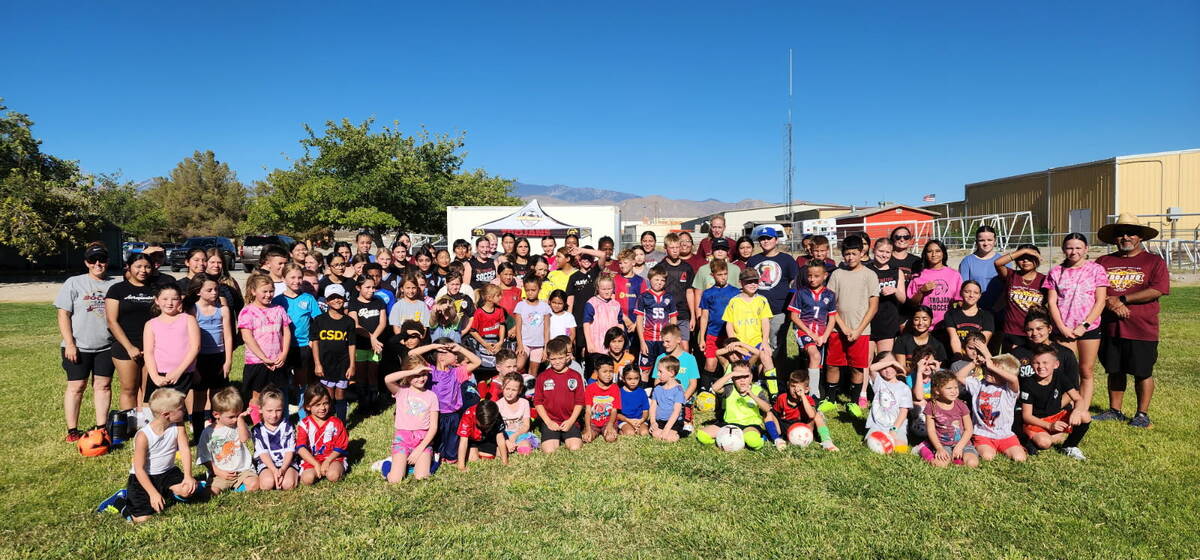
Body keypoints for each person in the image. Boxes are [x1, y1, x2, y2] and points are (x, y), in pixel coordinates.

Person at [1094, 214, 1169, 428]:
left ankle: (1142, 414)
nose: (1125, 237)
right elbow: (1093, 286)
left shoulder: (1154, 261)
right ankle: (1114, 410)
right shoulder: (1104, 261)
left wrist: (1123, 298)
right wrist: (1111, 302)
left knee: (1142, 372)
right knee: (1114, 369)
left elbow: (1158, 289)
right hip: (1110, 326)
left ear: (1140, 237)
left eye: (1131, 233)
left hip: (1142, 328)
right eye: (1120, 233)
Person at [56, 242, 117, 441]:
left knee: (103, 386)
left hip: (106, 346)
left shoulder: (114, 284)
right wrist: (70, 343)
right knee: (76, 387)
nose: (98, 264)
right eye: (93, 260)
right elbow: (63, 314)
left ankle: (101, 427)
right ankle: (72, 431)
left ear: (108, 261)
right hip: (78, 346)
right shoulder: (74, 282)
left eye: (102, 260)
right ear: (86, 262)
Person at [1044, 233, 1108, 413]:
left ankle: (1083, 407)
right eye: (1070, 248)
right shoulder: (1055, 272)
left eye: (1078, 248)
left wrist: (1085, 325)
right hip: (1064, 329)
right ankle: (1067, 405)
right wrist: (1062, 327)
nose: (1074, 252)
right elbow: (1052, 303)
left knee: (1086, 370)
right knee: (1065, 371)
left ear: (1086, 249)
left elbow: (1100, 301)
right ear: (1064, 249)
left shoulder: (1096, 270)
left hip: (1089, 329)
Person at [824, 236, 880, 417]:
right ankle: (831, 399)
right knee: (833, 364)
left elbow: (873, 306)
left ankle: (854, 401)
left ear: (862, 253)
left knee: (857, 367)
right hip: (836, 330)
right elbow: (830, 304)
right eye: (846, 254)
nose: (850, 258)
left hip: (861, 331)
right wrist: (842, 327)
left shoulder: (870, 275)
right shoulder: (837, 274)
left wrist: (858, 329)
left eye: (854, 254)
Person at [125, 388, 198, 523]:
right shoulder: (143, 436)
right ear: (166, 414)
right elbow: (139, 469)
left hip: (168, 473)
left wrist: (188, 476)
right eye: (181, 408)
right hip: (144, 478)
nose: (185, 410)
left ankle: (168, 492)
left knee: (188, 490)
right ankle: (123, 504)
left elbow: (185, 450)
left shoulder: (178, 425)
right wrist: (152, 493)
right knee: (144, 519)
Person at [953, 345, 1027, 463]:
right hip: (982, 433)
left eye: (994, 371)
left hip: (1005, 435)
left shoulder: (1008, 390)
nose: (989, 371)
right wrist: (974, 363)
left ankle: (1014, 447)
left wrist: (992, 366)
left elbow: (1014, 379)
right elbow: (958, 376)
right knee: (988, 456)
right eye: (988, 369)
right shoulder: (979, 385)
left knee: (1020, 458)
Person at [142, 284, 200, 428]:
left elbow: (195, 348)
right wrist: (154, 376)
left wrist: (178, 372)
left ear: (180, 300)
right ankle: (158, 438)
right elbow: (148, 352)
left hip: (182, 373)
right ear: (157, 301)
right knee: (158, 411)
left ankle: (179, 442)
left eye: (174, 299)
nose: (169, 303)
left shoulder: (188, 319)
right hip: (159, 375)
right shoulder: (151, 324)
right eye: (165, 299)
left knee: (176, 412)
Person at [1020, 344, 1091, 460]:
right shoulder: (1028, 384)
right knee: (1044, 443)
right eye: (1036, 363)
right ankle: (1028, 439)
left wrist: (1077, 411)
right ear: (1031, 365)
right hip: (1037, 422)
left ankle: (1069, 445)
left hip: (1056, 416)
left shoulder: (1060, 376)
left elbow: (1078, 398)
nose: (1040, 366)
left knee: (1085, 415)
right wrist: (1049, 426)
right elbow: (1026, 416)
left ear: (1056, 364)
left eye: (1045, 363)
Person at [238, 275, 292, 424]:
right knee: (257, 396)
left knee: (277, 395)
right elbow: (247, 338)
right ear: (253, 291)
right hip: (256, 362)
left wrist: (284, 354)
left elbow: (286, 331)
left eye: (271, 291)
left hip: (277, 361)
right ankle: (258, 426)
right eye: (265, 291)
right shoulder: (247, 311)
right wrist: (264, 358)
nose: (269, 295)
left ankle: (278, 425)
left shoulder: (279, 309)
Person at [106, 252, 156, 411]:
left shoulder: (156, 289)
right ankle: (127, 424)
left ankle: (147, 426)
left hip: (152, 347)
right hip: (125, 347)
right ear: (129, 267)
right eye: (138, 266)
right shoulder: (117, 290)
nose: (143, 270)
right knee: (129, 389)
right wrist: (129, 347)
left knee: (150, 391)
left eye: (147, 267)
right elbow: (111, 322)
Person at [746, 225, 799, 373]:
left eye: (768, 238)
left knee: (777, 345)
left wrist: (791, 307)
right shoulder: (753, 260)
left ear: (776, 240)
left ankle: (778, 378)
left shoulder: (787, 260)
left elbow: (794, 283)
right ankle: (756, 377)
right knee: (756, 344)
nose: (765, 241)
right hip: (756, 310)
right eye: (762, 239)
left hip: (779, 310)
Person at [695, 361, 781, 451]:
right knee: (702, 435)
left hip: (750, 425)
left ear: (751, 377)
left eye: (745, 376)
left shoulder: (757, 390)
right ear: (733, 379)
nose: (742, 380)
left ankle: (763, 437)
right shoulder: (730, 389)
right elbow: (715, 388)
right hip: (728, 424)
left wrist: (751, 394)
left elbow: (767, 409)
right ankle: (725, 440)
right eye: (738, 377)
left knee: (753, 441)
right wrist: (731, 374)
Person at [187, 276, 232, 436]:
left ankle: (216, 429)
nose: (214, 293)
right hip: (200, 358)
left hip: (218, 357)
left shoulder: (223, 309)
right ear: (198, 291)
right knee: (199, 396)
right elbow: (190, 340)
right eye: (209, 290)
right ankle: (199, 432)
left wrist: (228, 361)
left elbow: (227, 336)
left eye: (216, 289)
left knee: (217, 395)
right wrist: (194, 366)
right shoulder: (193, 310)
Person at [273, 263, 322, 411]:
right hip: (283, 348)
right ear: (284, 279)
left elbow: (318, 322)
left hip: (302, 346)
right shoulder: (278, 301)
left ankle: (302, 415)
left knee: (301, 382)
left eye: (300, 277)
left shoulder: (308, 299)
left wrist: (313, 341)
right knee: (282, 383)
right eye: (292, 277)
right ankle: (285, 414)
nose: (297, 281)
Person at [383, 357, 439, 481]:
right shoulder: (401, 391)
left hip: (423, 441)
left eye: (424, 374)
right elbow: (387, 379)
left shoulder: (431, 396)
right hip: (403, 440)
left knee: (421, 477)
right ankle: (387, 464)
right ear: (408, 376)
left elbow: (434, 427)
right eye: (416, 375)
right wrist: (412, 372)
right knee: (395, 479)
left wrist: (420, 449)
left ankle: (432, 460)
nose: (421, 378)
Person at [789, 261, 838, 401]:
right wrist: (811, 334)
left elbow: (832, 318)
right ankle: (814, 394)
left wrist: (825, 336)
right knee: (815, 356)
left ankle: (807, 387)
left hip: (822, 335)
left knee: (816, 363)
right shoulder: (801, 293)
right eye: (809, 275)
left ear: (825, 276)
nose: (812, 279)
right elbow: (794, 316)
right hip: (805, 332)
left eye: (816, 276)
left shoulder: (830, 295)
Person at [722, 267, 776, 392]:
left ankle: (773, 391)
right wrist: (733, 343)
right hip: (741, 344)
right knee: (741, 369)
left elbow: (765, 322)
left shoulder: (762, 300)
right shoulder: (734, 302)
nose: (752, 284)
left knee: (766, 356)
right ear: (741, 283)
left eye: (755, 281)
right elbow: (729, 324)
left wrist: (765, 342)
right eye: (748, 281)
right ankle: (741, 385)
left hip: (757, 341)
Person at [196, 387, 257, 494]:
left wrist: (241, 419)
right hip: (220, 473)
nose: (235, 419)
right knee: (210, 493)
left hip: (243, 470)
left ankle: (236, 487)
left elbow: (244, 439)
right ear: (216, 415)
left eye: (238, 415)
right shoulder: (208, 433)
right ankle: (209, 486)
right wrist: (218, 472)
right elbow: (204, 457)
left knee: (255, 484)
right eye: (231, 417)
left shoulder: (239, 424)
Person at [311, 285, 356, 422]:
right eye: (332, 298)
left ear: (344, 299)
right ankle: (329, 422)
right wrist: (317, 364)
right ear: (326, 300)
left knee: (340, 393)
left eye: (339, 297)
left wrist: (352, 365)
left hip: (343, 363)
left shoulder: (349, 321)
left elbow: (352, 344)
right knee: (328, 394)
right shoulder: (319, 320)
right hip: (326, 363)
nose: (336, 300)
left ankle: (341, 423)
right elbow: (315, 342)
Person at [916, 371, 979, 468]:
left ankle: (957, 458)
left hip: (963, 443)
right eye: (949, 388)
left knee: (972, 463)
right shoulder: (931, 406)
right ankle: (924, 450)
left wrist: (959, 447)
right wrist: (939, 448)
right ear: (937, 391)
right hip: (943, 444)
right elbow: (931, 430)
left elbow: (969, 429)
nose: (954, 391)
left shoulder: (961, 405)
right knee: (940, 465)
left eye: (956, 387)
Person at [534, 337, 586, 453]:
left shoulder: (575, 375)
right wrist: (548, 422)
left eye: (560, 358)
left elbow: (580, 402)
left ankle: (568, 435)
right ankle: (554, 436)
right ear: (548, 359)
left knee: (575, 447)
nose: (557, 362)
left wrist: (571, 421)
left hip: (570, 420)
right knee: (549, 451)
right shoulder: (542, 376)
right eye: (553, 359)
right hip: (551, 421)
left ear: (567, 357)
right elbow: (538, 402)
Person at [992, 244, 1046, 350]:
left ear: (1037, 259)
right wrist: (1024, 251)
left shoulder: (1044, 280)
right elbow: (998, 263)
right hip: (1012, 330)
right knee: (1011, 364)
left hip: (1035, 330)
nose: (1025, 261)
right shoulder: (1011, 275)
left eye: (1030, 258)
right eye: (1021, 258)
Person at [771, 371, 838, 451]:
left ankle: (827, 441)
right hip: (787, 426)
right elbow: (775, 414)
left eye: (799, 388)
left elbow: (811, 415)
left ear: (806, 390)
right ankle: (777, 439)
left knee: (817, 415)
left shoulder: (808, 399)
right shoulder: (782, 398)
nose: (795, 390)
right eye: (793, 386)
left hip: (805, 427)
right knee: (769, 414)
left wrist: (802, 396)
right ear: (788, 385)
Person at [296, 384, 349, 485]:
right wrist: (315, 464)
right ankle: (316, 471)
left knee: (333, 475)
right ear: (308, 407)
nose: (323, 408)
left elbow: (340, 446)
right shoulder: (304, 424)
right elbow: (301, 448)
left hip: (333, 458)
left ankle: (334, 469)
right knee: (308, 479)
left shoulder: (336, 422)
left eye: (325, 403)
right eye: (317, 405)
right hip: (312, 460)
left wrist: (327, 461)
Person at [697, 259, 739, 386]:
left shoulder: (735, 292)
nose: (723, 277)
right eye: (719, 275)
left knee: (733, 363)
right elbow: (704, 316)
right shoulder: (708, 293)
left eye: (725, 274)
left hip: (730, 335)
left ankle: (728, 392)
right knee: (711, 364)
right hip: (713, 334)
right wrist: (702, 338)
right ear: (712, 275)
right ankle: (704, 391)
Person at [347, 276, 387, 407]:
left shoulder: (379, 302)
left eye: (373, 287)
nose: (372, 290)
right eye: (368, 287)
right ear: (358, 288)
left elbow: (382, 323)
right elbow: (355, 325)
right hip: (360, 345)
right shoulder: (354, 303)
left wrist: (374, 339)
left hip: (376, 346)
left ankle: (374, 399)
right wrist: (371, 338)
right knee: (361, 373)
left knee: (373, 372)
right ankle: (362, 401)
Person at [862, 352, 913, 453]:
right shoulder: (879, 382)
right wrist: (892, 362)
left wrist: (894, 430)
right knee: (872, 445)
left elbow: (903, 412)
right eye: (884, 366)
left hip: (897, 426)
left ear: (896, 367)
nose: (888, 369)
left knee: (900, 449)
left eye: (891, 366)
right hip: (878, 425)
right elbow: (872, 368)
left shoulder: (904, 388)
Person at [251, 387, 299, 491]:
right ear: (260, 409)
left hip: (286, 463)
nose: (274, 415)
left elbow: (289, 451)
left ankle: (288, 475)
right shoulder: (257, 429)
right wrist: (274, 470)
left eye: (278, 410)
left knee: (288, 484)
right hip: (267, 463)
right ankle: (271, 476)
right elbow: (262, 453)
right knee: (267, 484)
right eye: (269, 411)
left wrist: (282, 470)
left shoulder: (288, 426)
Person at [635, 267, 678, 383]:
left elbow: (673, 318)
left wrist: (672, 338)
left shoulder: (669, 297)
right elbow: (639, 320)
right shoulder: (643, 297)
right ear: (650, 279)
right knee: (645, 370)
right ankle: (645, 397)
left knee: (663, 370)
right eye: (656, 279)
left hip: (664, 340)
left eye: (662, 280)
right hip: (648, 339)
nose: (659, 283)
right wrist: (642, 341)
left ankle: (659, 397)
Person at [906, 239, 961, 329]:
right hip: (925, 327)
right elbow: (912, 303)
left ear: (943, 253)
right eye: (930, 251)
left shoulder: (954, 275)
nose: (934, 254)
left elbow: (960, 302)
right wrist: (921, 291)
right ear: (925, 254)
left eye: (938, 251)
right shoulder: (918, 275)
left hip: (948, 326)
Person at [865, 238, 906, 355]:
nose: (884, 255)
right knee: (866, 361)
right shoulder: (866, 270)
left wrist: (895, 290)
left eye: (887, 252)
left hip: (888, 321)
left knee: (884, 359)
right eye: (881, 251)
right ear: (874, 250)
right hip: (868, 321)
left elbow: (903, 299)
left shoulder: (897, 272)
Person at [958, 226, 1010, 310]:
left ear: (995, 241)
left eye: (989, 240)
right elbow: (963, 288)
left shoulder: (1004, 261)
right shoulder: (967, 261)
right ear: (976, 242)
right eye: (982, 240)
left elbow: (1009, 288)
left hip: (1000, 309)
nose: (986, 243)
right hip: (976, 309)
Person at [943, 281, 995, 357]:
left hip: (978, 356)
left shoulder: (987, 316)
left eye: (976, 293)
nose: (971, 295)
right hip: (958, 356)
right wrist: (958, 358)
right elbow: (954, 339)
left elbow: (982, 343)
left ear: (980, 295)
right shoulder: (951, 314)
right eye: (967, 292)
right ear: (961, 293)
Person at [514, 275, 552, 375]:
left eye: (533, 290)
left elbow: (547, 329)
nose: (530, 293)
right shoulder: (520, 305)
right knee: (518, 366)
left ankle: (530, 390)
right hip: (525, 343)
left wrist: (545, 348)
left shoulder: (544, 307)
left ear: (539, 289)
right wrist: (520, 345)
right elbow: (518, 328)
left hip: (538, 345)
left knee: (533, 371)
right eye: (527, 290)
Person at [456, 399, 508, 470]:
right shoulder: (468, 415)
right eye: (481, 425)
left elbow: (500, 438)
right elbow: (463, 442)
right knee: (473, 459)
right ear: (476, 417)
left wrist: (505, 461)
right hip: (473, 440)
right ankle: (475, 450)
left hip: (488, 438)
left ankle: (485, 450)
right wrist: (461, 466)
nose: (484, 427)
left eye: (487, 426)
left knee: (490, 457)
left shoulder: (496, 415)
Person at [892, 306, 948, 372]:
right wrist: (918, 373)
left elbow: (938, 369)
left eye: (925, 319)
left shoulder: (937, 344)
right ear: (912, 321)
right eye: (916, 319)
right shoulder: (902, 340)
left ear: (931, 321)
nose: (920, 323)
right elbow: (901, 367)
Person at [495, 372, 538, 455]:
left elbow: (526, 425)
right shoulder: (498, 405)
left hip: (520, 434)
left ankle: (518, 447)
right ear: (502, 387)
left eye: (514, 390)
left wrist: (515, 436)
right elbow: (497, 429)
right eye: (507, 389)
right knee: (499, 452)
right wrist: (507, 441)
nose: (510, 393)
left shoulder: (524, 403)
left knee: (525, 449)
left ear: (520, 390)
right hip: (504, 435)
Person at [648, 356, 686, 443]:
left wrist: (666, 429)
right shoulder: (657, 388)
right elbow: (653, 406)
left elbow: (676, 412)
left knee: (670, 438)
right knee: (656, 434)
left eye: (660, 372)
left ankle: (679, 432)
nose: (657, 374)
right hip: (659, 421)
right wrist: (653, 422)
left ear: (671, 373)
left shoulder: (678, 390)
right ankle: (663, 432)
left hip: (673, 422)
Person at [583, 356, 621, 443]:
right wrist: (588, 429)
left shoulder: (615, 388)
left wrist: (610, 425)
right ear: (596, 372)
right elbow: (588, 411)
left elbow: (614, 411)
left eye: (611, 371)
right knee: (587, 439)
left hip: (608, 421)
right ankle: (593, 431)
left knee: (610, 438)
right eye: (604, 371)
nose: (608, 375)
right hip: (593, 422)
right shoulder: (590, 388)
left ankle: (608, 430)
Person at [469, 284, 507, 370]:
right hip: (483, 345)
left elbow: (502, 325)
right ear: (489, 298)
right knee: (484, 368)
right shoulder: (479, 312)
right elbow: (472, 331)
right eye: (498, 295)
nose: (501, 297)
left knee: (497, 367)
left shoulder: (500, 310)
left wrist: (500, 342)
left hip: (496, 344)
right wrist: (485, 344)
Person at [617, 366, 650, 436]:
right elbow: (617, 414)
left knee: (644, 433)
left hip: (639, 420)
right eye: (629, 379)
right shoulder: (619, 393)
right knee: (630, 433)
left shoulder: (642, 392)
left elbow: (646, 411)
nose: (633, 382)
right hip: (625, 420)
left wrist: (641, 420)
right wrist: (628, 420)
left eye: (636, 378)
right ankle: (621, 431)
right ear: (623, 379)